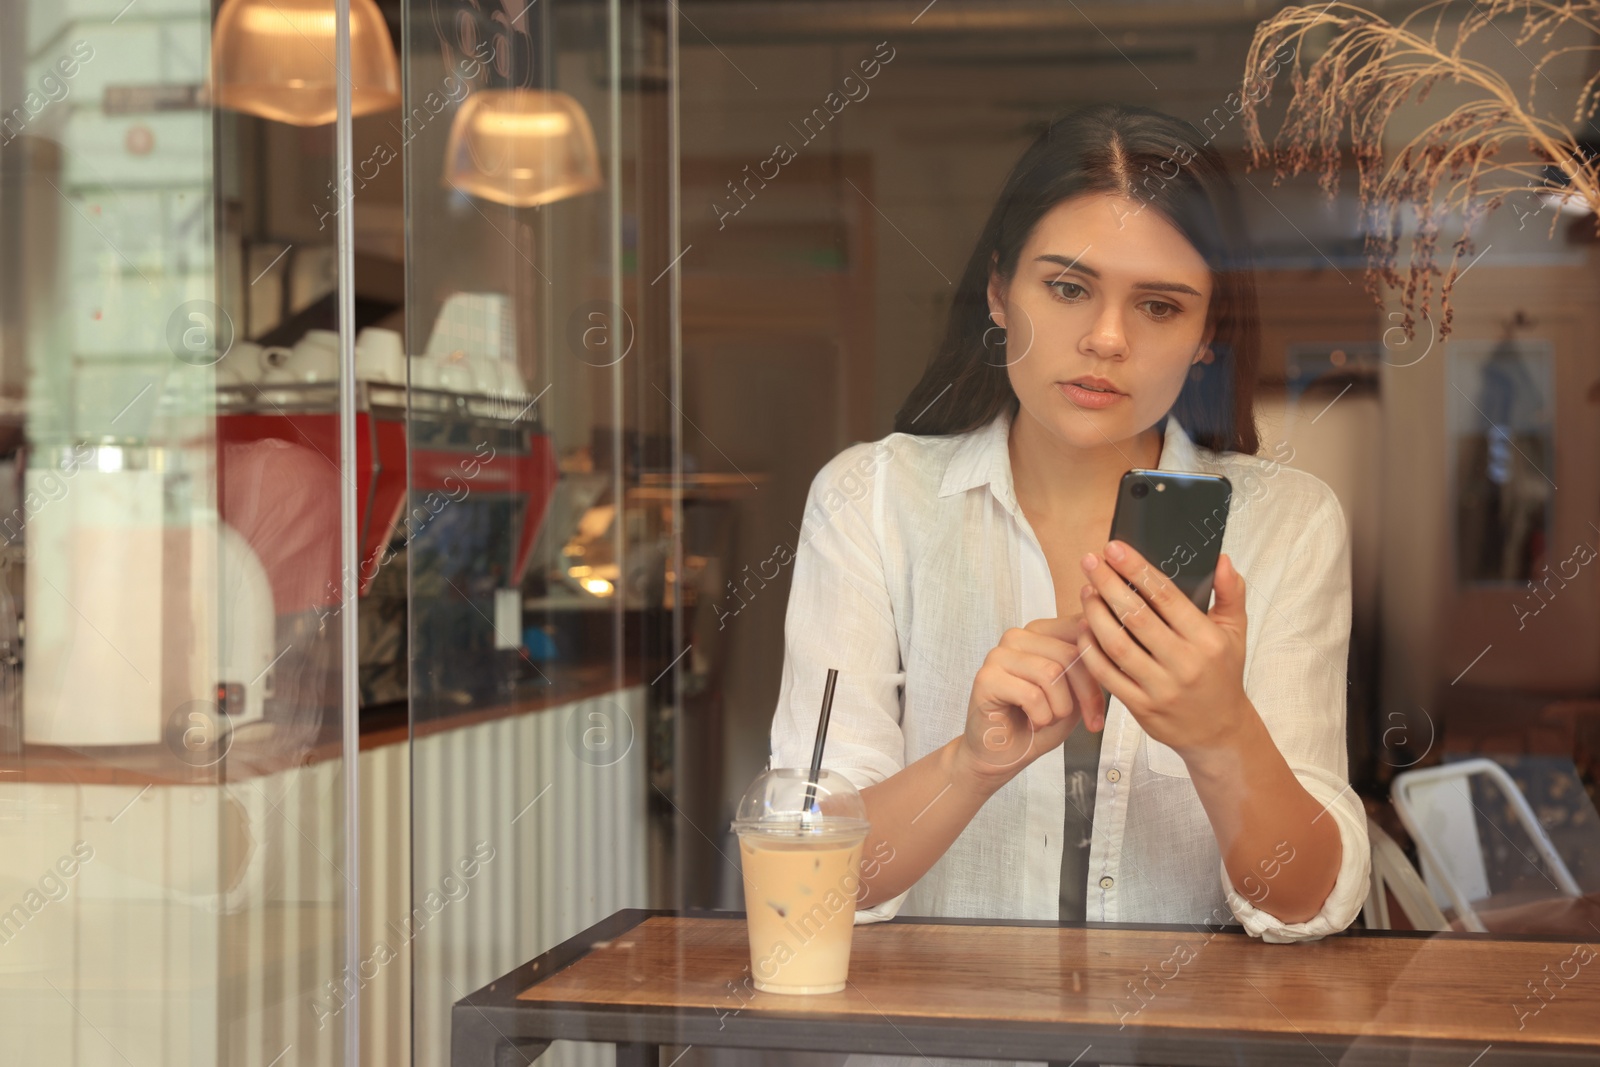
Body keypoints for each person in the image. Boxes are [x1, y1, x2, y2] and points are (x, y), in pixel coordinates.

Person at [768, 104, 1370, 1067]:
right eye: (1068, 287)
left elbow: (1304, 902)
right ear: (1002, 291)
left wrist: (1221, 736)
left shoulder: (1287, 523)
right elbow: (808, 885)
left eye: (1161, 306)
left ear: (1209, 332)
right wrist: (971, 764)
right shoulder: (870, 500)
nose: (1106, 338)